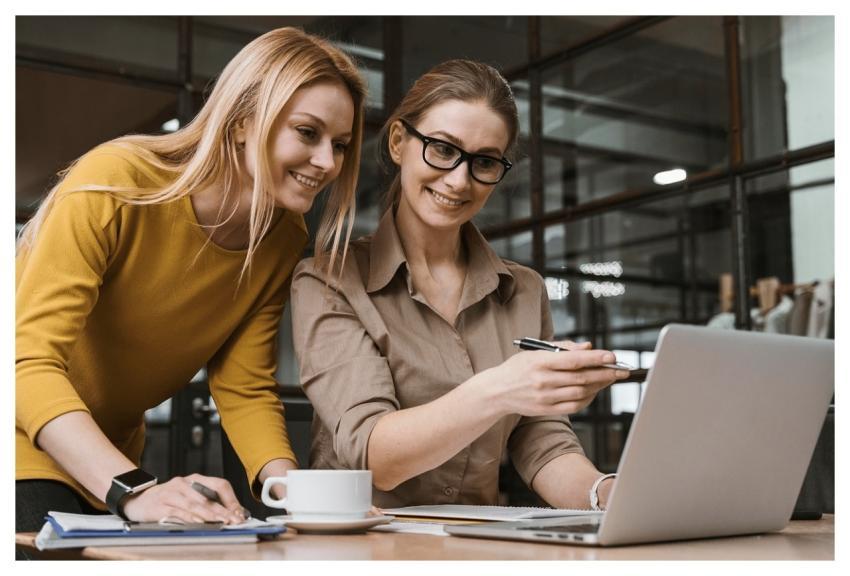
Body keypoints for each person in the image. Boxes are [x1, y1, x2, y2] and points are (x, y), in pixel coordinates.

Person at [15, 26, 366, 539]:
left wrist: (301, 500)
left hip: (108, 463)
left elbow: (243, 387)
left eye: (341, 144)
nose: (327, 163)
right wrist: (133, 489)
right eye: (308, 133)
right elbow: (25, 364)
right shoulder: (116, 182)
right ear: (244, 120)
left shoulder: (282, 236)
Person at [290, 59, 627, 511]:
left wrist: (606, 495)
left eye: (484, 161)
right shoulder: (327, 279)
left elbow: (540, 440)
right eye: (443, 149)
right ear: (397, 142)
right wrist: (502, 388)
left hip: (471, 540)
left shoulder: (523, 290)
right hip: (359, 544)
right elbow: (374, 454)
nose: (459, 180)